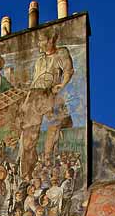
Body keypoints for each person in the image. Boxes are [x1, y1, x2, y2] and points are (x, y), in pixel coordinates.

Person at [19, 31, 74, 178]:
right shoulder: (39, 61)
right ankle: (27, 171)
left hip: (51, 94)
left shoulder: (61, 54)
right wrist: (26, 101)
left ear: (51, 40)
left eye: (42, 40)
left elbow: (68, 71)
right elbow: (35, 81)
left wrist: (61, 85)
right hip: (35, 97)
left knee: (53, 129)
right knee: (29, 136)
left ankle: (49, 162)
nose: (39, 44)